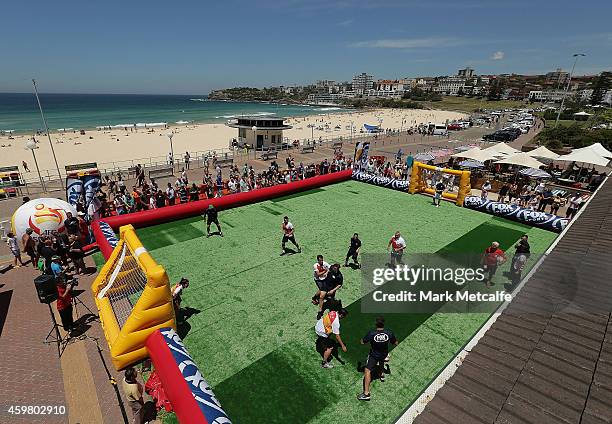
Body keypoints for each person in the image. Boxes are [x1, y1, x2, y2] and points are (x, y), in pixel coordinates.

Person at [358, 316, 398, 401]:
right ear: (383, 324)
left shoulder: (372, 333)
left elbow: (363, 342)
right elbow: (395, 343)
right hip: (384, 354)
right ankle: (382, 374)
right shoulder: (389, 333)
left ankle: (366, 393)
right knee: (381, 361)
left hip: (374, 355)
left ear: (376, 323)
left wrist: (362, 340)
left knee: (367, 370)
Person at [52, 257, 75, 333]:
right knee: (65, 318)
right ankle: (67, 328)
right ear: (58, 283)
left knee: (70, 315)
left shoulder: (63, 285)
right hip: (62, 307)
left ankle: (72, 325)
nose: (64, 282)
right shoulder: (57, 289)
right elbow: (62, 297)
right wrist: (68, 290)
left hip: (67, 303)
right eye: (62, 282)